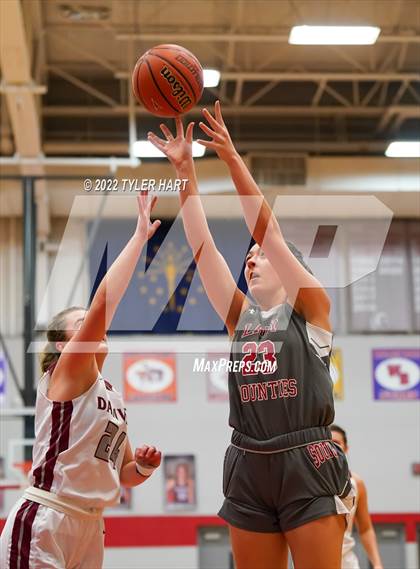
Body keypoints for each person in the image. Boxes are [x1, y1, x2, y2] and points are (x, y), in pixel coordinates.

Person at [148, 103, 354, 569]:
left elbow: (268, 230)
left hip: (307, 457)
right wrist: (185, 173)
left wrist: (231, 158)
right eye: (249, 256)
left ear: (290, 267)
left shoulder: (312, 310)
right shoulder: (240, 318)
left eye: (261, 255)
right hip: (247, 459)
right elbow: (202, 249)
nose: (252, 259)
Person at [0, 195, 162, 569]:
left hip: (91, 525)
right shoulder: (67, 372)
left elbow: (122, 473)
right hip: (47, 517)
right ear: (63, 345)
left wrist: (144, 466)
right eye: (82, 323)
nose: (93, 325)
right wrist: (139, 237)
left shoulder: (113, 396)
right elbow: (105, 302)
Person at [331, 424, 383, 569]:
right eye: (327, 443)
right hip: (316, 559)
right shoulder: (308, 481)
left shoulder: (356, 483)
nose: (332, 447)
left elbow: (366, 529)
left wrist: (377, 564)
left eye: (336, 443)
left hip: (347, 561)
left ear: (346, 448)